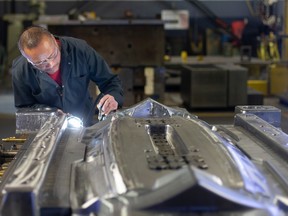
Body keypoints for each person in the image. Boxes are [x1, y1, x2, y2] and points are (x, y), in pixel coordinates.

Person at [12, 25, 124, 125]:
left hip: (84, 122)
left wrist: (113, 97)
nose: (50, 64)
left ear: (54, 40)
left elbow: (110, 82)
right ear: (28, 60)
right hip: (46, 129)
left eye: (52, 55)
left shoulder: (80, 50)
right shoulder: (20, 70)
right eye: (39, 63)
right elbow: (24, 109)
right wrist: (50, 113)